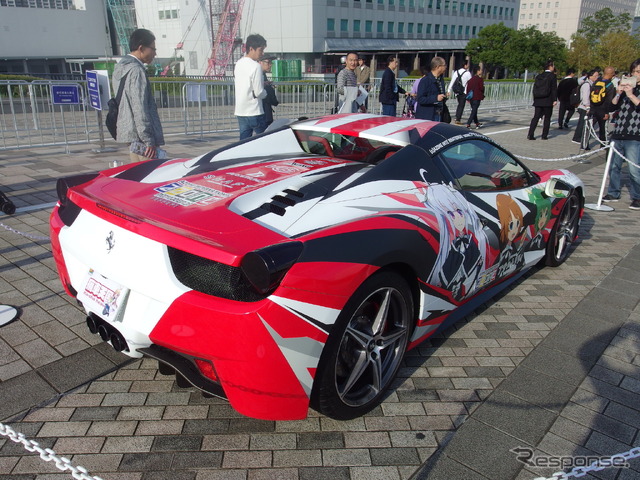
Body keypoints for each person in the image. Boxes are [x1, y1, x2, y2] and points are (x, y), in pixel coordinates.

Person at [112, 28, 165, 163]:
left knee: (137, 174)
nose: (155, 53)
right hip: (142, 137)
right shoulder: (136, 70)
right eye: (153, 49)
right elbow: (139, 107)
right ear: (141, 48)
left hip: (131, 133)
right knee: (150, 174)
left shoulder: (121, 67)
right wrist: (148, 140)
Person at [602, 58, 640, 209]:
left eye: (639, 72)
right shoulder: (625, 89)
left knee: (634, 169)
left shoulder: (632, 92)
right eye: (635, 72)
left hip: (635, 134)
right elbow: (611, 108)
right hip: (619, 132)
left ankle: (637, 196)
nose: (637, 75)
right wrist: (618, 93)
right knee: (613, 166)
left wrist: (631, 95)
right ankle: (613, 192)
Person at [234, 34, 267, 140]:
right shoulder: (256, 66)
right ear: (251, 49)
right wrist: (265, 93)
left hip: (241, 110)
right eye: (260, 50)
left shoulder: (238, 63)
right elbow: (259, 92)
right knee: (264, 141)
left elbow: (245, 84)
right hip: (254, 110)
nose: (262, 53)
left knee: (243, 143)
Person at [527, 59, 557, 140]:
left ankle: (530, 134)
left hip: (538, 99)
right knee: (547, 118)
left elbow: (535, 88)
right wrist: (554, 99)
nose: (554, 67)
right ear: (550, 66)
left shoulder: (539, 76)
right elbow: (554, 89)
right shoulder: (552, 76)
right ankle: (544, 135)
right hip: (547, 100)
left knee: (536, 117)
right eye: (553, 66)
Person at [572, 69, 599, 150]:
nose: (597, 77)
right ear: (590, 76)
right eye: (595, 76)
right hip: (584, 107)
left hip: (586, 107)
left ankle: (578, 138)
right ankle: (578, 138)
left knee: (582, 123)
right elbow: (585, 97)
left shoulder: (591, 84)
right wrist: (588, 107)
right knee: (583, 123)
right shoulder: (587, 85)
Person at [590, 66, 617, 145]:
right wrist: (606, 112)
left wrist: (590, 107)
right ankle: (603, 144)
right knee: (603, 129)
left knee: (589, 127)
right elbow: (609, 100)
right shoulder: (609, 85)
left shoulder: (596, 82)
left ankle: (584, 145)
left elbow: (591, 95)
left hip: (593, 108)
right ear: (611, 74)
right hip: (602, 110)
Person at [416, 56, 448, 121]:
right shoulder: (425, 80)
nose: (445, 67)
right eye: (444, 65)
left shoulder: (441, 80)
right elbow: (420, 99)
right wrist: (436, 98)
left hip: (439, 114)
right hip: (428, 116)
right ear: (438, 67)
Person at [448, 60, 472, 125]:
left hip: (457, 91)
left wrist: (448, 90)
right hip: (464, 91)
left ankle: (457, 117)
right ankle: (458, 119)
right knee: (461, 105)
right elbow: (470, 83)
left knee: (460, 104)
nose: (468, 65)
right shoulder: (467, 73)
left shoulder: (456, 72)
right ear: (465, 65)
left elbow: (452, 81)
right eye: (467, 64)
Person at [259, 55, 279, 128]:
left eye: (271, 63)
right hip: (263, 107)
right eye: (268, 62)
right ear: (260, 62)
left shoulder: (262, 73)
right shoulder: (258, 73)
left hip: (265, 106)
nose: (270, 65)